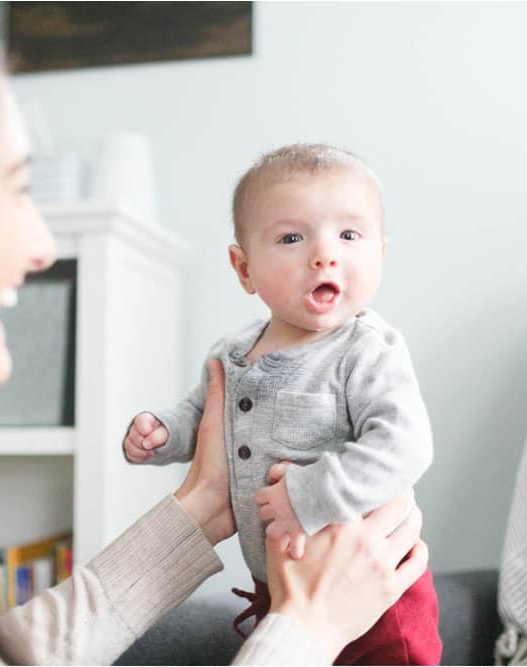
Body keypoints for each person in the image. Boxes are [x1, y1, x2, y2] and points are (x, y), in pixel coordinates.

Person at [0, 4, 428, 664]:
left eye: (349, 234)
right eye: (15, 186)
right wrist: (307, 628)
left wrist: (204, 506)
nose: (40, 243)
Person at [123, 144, 442, 664]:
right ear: (243, 267)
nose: (324, 254)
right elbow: (204, 418)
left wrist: (310, 494)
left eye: (349, 235)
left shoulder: (366, 350)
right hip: (280, 591)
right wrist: (163, 432)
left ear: (380, 254)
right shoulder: (232, 353)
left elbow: (404, 447)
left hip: (374, 597)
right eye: (292, 237)